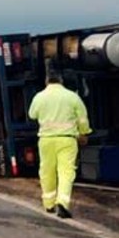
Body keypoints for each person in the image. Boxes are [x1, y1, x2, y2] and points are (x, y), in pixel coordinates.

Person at [28, 69, 92, 219]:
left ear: (46, 81)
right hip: (67, 139)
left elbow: (32, 115)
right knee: (66, 172)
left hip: (46, 140)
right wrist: (84, 133)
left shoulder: (39, 97)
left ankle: (49, 204)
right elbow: (82, 118)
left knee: (47, 171)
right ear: (61, 81)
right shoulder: (72, 97)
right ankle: (62, 202)